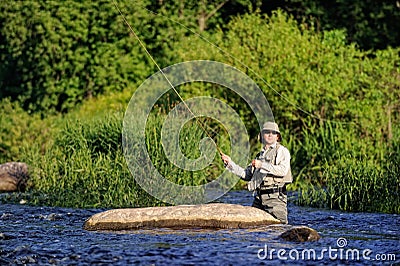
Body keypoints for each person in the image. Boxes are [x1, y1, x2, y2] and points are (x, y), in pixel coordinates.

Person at [221, 122, 292, 223]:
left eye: (273, 133)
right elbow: (246, 175)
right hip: (259, 199)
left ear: (277, 137)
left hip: (275, 199)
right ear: (262, 135)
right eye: (267, 132)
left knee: (280, 227)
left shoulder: (282, 151)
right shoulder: (259, 155)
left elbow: (283, 171)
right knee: (254, 229)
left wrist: (262, 165)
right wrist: (230, 164)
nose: (270, 135)